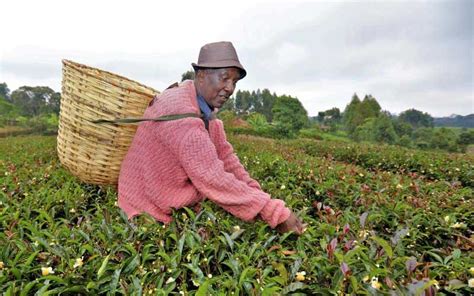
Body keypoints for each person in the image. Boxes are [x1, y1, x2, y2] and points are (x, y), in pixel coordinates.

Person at [118, 41, 303, 234]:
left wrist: (264, 199)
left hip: (169, 200)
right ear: (201, 75)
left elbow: (228, 161)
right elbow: (212, 177)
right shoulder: (182, 114)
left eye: (234, 82)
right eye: (224, 78)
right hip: (145, 209)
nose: (230, 88)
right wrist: (273, 213)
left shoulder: (204, 110)